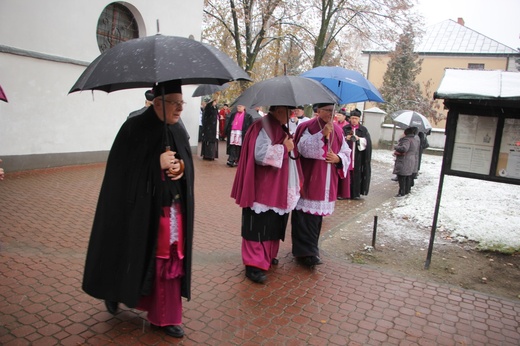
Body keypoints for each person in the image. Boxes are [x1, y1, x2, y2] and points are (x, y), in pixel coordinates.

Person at [82, 80, 194, 339]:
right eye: (174, 103)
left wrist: (181, 168)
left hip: (170, 209)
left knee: (168, 258)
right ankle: (114, 291)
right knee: (128, 254)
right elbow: (121, 172)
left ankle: (165, 317)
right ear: (157, 103)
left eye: (182, 103)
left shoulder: (177, 129)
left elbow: (186, 160)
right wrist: (155, 163)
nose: (179, 109)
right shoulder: (134, 127)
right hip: (137, 213)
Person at [231, 105, 302, 283]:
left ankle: (267, 256)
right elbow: (260, 155)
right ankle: (253, 265)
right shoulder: (262, 126)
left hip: (277, 185)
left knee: (272, 222)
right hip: (262, 185)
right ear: (278, 110)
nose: (291, 114)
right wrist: (284, 148)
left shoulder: (279, 126)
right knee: (258, 225)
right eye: (288, 111)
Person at [291, 103, 351, 267]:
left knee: (316, 219)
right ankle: (305, 252)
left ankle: (312, 249)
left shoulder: (338, 130)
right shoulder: (306, 126)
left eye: (334, 111)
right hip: (310, 178)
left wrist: (338, 159)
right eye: (328, 111)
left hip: (327, 179)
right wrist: (321, 135)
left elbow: (346, 152)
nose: (332, 114)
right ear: (318, 111)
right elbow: (302, 149)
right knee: (304, 218)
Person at [343, 109, 372, 200]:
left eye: (356, 118)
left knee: (357, 174)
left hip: (358, 156)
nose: (354, 120)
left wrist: (359, 139)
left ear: (359, 119)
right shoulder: (346, 128)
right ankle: (345, 193)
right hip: (348, 155)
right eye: (352, 118)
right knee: (347, 174)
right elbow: (339, 139)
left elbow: (367, 142)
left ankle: (355, 193)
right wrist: (346, 138)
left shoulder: (363, 129)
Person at [393, 126, 417, 197]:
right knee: (407, 176)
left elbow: (404, 148)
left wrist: (396, 147)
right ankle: (406, 190)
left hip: (404, 160)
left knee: (402, 176)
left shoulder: (406, 140)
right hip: (411, 160)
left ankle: (402, 192)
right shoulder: (414, 139)